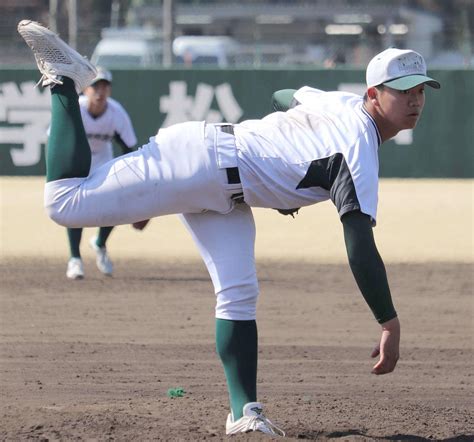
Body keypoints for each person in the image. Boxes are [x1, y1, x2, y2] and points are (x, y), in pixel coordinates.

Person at [18, 20, 440, 437]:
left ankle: (245, 414)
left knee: (239, 293)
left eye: (420, 89)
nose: (415, 99)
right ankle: (65, 81)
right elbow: (359, 245)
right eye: (403, 90)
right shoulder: (359, 149)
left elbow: (285, 97)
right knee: (63, 204)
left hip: (226, 192)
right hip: (197, 161)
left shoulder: (339, 103)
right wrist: (389, 322)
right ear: (374, 94)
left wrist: (286, 156)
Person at [59, 67, 139, 279]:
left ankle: (100, 243)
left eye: (104, 86)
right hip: (77, 160)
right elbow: (56, 139)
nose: (100, 91)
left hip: (104, 161)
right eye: (95, 86)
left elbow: (129, 149)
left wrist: (134, 183)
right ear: (85, 89)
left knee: (113, 204)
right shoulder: (75, 108)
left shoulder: (116, 112)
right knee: (75, 207)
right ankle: (75, 258)